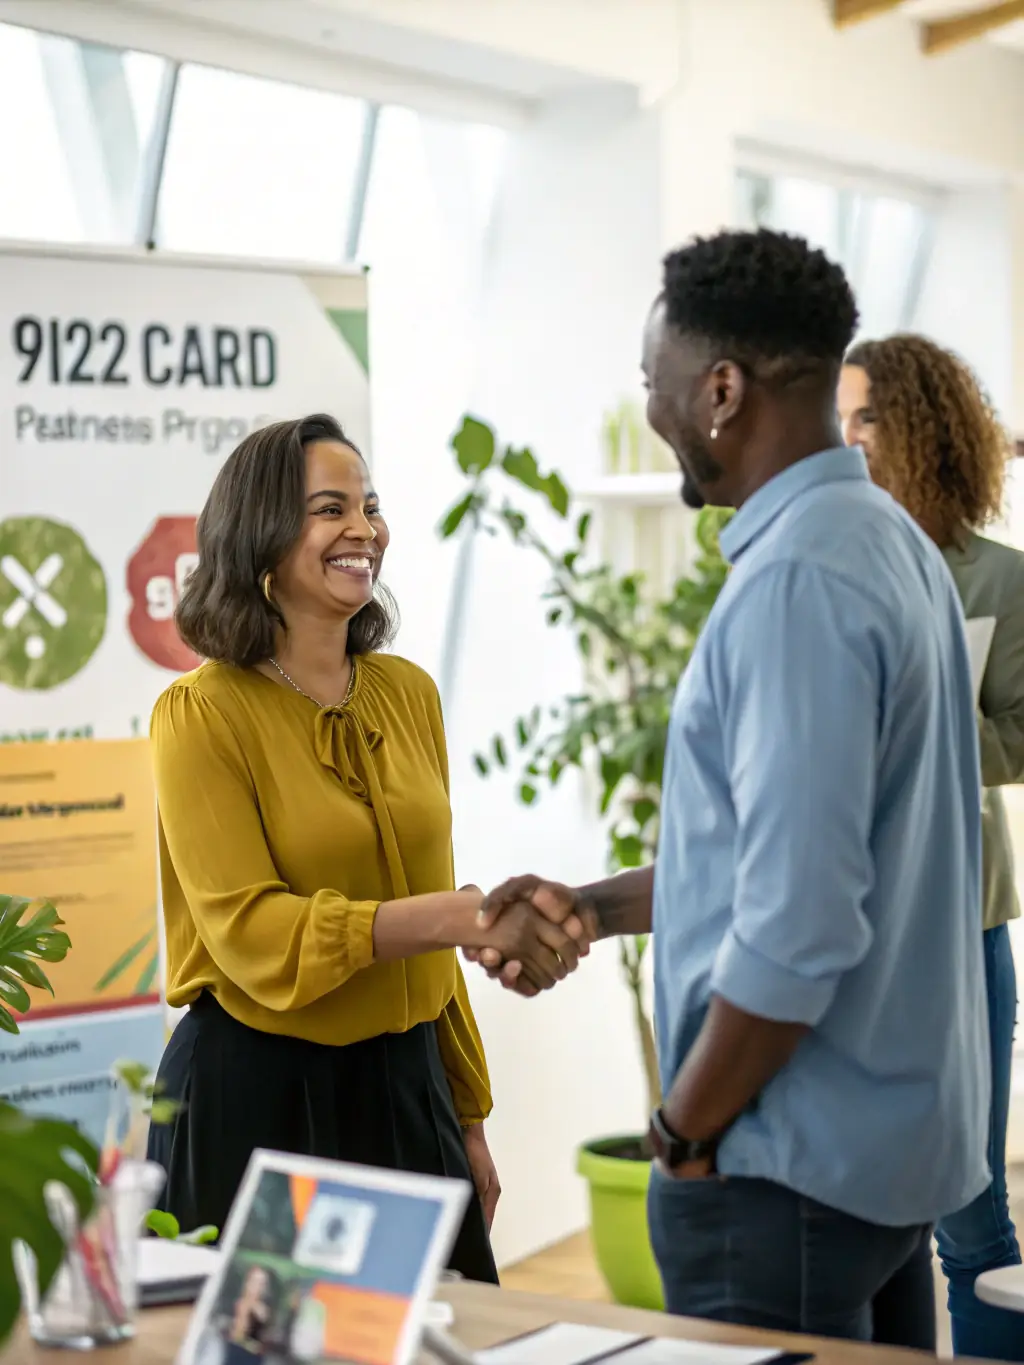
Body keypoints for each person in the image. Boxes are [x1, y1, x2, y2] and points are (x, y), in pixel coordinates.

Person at [471, 229, 990, 1346]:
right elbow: (793, 853)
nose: (646, 405)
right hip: (885, 1163)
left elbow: (799, 923)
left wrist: (681, 1129)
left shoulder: (798, 582)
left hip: (782, 1172)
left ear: (719, 390)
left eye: (650, 381)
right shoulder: (889, 543)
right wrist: (595, 906)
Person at [145, 414, 587, 1282]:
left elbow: (435, 941)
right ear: (261, 538)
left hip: (407, 1084)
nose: (364, 529)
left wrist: (466, 1111)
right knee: (284, 1348)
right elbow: (250, 930)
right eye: (329, 509)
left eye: (371, 505)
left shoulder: (408, 693)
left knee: (443, 1337)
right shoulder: (200, 715)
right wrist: (460, 916)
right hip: (262, 1097)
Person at [839, 335, 1024, 1361]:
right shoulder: (824, 559)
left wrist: (926, 715)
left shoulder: (998, 579)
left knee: (967, 1205)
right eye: (840, 420)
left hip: (959, 918)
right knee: (863, 1209)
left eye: (866, 418)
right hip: (845, 923)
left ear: (920, 428)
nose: (847, 438)